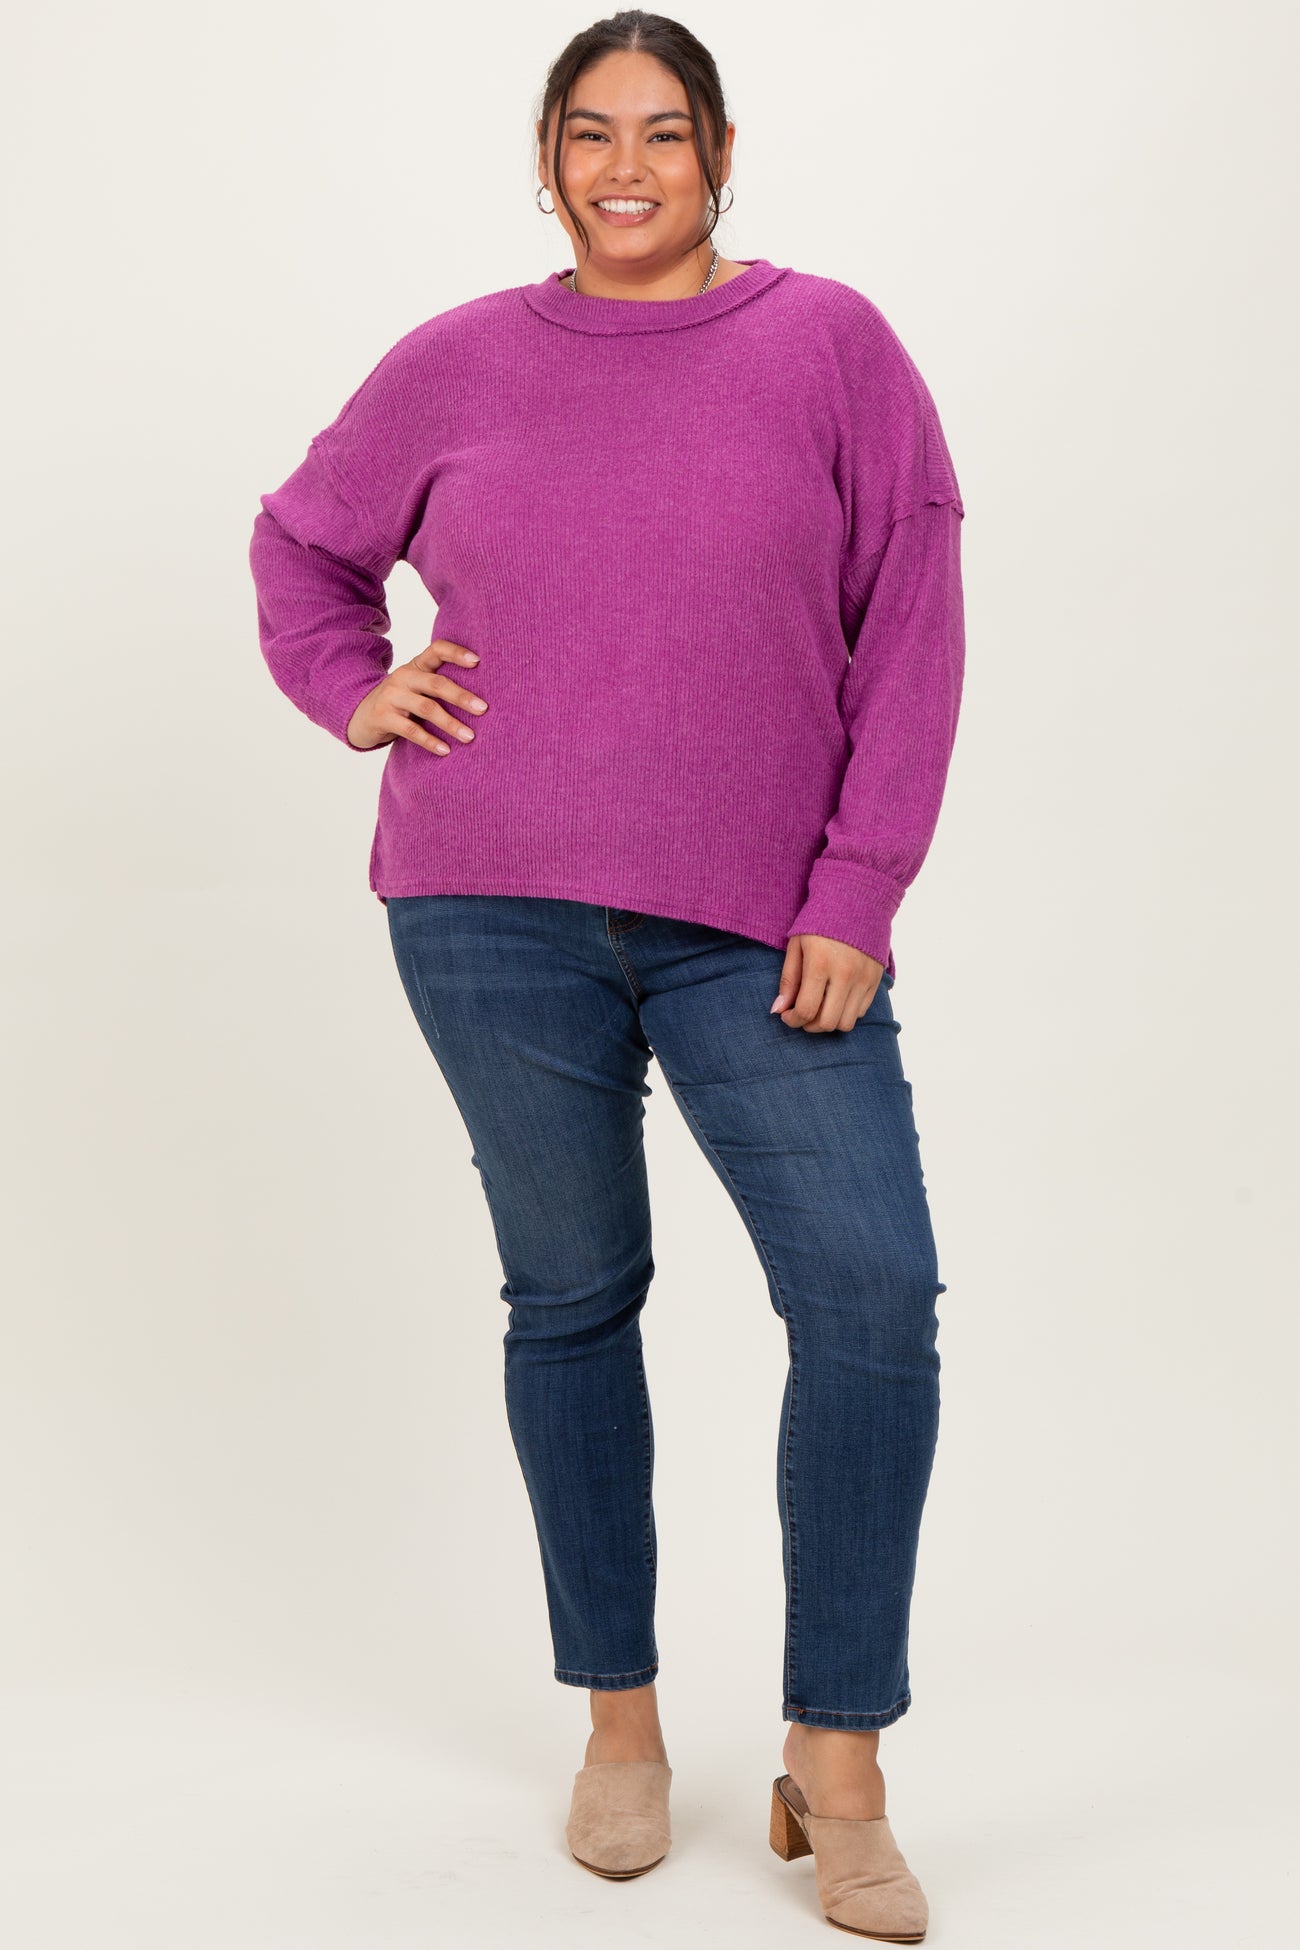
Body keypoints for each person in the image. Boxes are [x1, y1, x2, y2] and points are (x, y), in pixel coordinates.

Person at [248, 10, 965, 1938]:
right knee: (572, 1298)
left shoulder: (832, 345)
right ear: (549, 160)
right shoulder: (455, 360)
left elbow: (912, 618)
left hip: (765, 922)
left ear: (722, 149)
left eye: (662, 131)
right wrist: (354, 689)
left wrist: (859, 886)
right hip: (487, 905)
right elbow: (304, 546)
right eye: (590, 133)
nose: (626, 167)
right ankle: (621, 1724)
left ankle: (836, 1756)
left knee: (872, 1295)